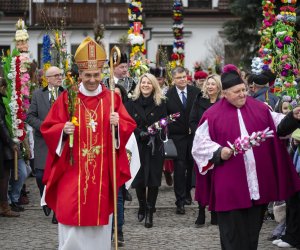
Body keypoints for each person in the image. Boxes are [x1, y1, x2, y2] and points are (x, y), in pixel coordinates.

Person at [40, 37, 136, 250]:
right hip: (72, 171)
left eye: (96, 75)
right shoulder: (68, 98)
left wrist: (117, 125)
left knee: (98, 223)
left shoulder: (112, 99)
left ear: (101, 74)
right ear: (80, 74)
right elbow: (48, 127)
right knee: (70, 215)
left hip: (100, 174)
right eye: (87, 75)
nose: (92, 79)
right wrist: (63, 130)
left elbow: (128, 125)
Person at [192, 70, 300, 250]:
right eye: (237, 91)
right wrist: (219, 151)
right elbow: (199, 146)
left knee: (252, 235)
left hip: (257, 185)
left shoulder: (260, 108)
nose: (243, 94)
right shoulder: (212, 115)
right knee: (232, 236)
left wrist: (292, 118)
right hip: (230, 186)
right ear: (225, 94)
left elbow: (278, 128)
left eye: (244, 90)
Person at [125, 73, 167, 228]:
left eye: (149, 83)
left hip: (154, 145)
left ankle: (150, 211)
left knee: (154, 179)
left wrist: (153, 131)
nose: (146, 85)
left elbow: (164, 121)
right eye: (143, 82)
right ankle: (142, 205)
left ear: (154, 85)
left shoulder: (160, 102)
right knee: (140, 178)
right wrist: (138, 132)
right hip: (138, 144)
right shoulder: (131, 102)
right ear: (139, 85)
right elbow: (127, 121)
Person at [26, 66, 64, 223]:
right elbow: (29, 116)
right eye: (55, 75)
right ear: (47, 79)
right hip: (43, 141)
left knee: (59, 177)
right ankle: (46, 199)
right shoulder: (37, 95)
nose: (59, 78)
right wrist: (45, 127)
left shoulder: (66, 94)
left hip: (61, 141)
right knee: (41, 175)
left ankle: (56, 209)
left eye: (60, 75)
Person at [166, 66, 200, 214]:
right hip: (177, 137)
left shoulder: (196, 92)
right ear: (173, 79)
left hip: (193, 136)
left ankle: (187, 193)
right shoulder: (168, 95)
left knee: (191, 166)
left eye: (184, 77)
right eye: (179, 77)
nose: (182, 80)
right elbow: (165, 116)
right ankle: (179, 201)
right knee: (179, 168)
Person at [189, 74, 222, 227]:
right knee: (202, 180)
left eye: (213, 84)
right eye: (208, 84)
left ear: (218, 86)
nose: (209, 86)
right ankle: (201, 211)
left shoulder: (224, 102)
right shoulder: (199, 99)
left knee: (217, 180)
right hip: (202, 145)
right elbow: (193, 120)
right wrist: (202, 135)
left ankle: (215, 212)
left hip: (218, 145)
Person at [0, 76, 20, 217]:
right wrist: (11, 143)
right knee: (3, 176)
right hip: (2, 144)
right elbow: (1, 125)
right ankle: (4, 206)